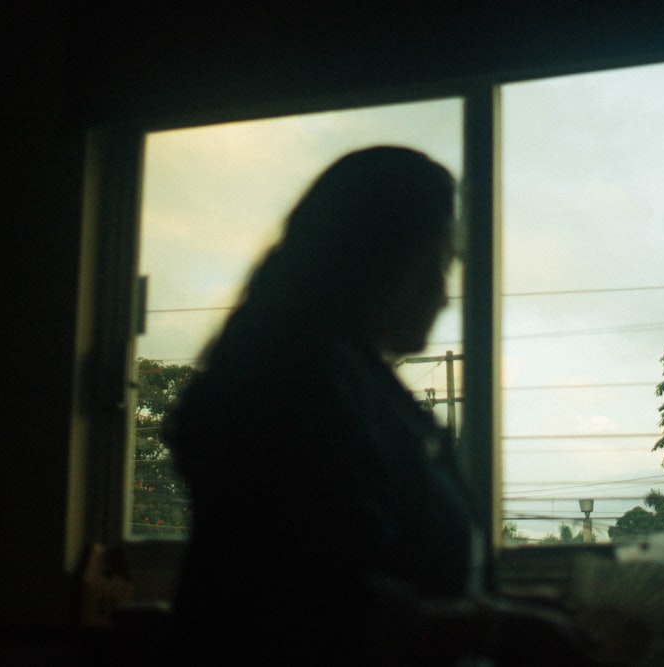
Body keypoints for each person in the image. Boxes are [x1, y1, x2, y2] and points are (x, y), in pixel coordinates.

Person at [163, 146, 599, 665]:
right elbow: (325, 610)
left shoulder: (344, 381)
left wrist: (509, 606)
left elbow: (397, 579)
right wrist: (500, 627)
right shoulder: (295, 391)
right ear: (380, 258)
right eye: (441, 261)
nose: (444, 293)